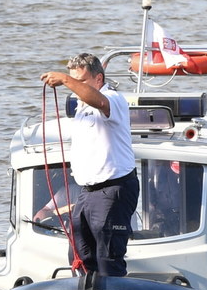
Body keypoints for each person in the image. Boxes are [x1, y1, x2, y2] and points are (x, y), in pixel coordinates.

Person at [40, 53, 138, 277]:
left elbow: (100, 102)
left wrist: (65, 79)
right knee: (79, 252)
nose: (75, 86)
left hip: (114, 189)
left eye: (81, 81)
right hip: (87, 192)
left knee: (108, 257)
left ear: (98, 80)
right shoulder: (82, 105)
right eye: (74, 80)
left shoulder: (112, 98)